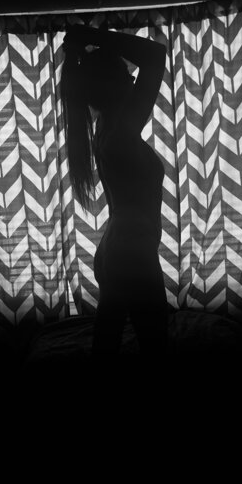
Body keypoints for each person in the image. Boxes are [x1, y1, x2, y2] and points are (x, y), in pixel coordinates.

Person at [60, 23, 168, 361]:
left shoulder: (108, 128)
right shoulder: (121, 130)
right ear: (113, 87)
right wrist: (90, 36)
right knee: (156, 351)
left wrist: (90, 43)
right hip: (132, 254)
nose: (134, 81)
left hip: (117, 250)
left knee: (106, 349)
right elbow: (155, 56)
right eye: (126, 76)